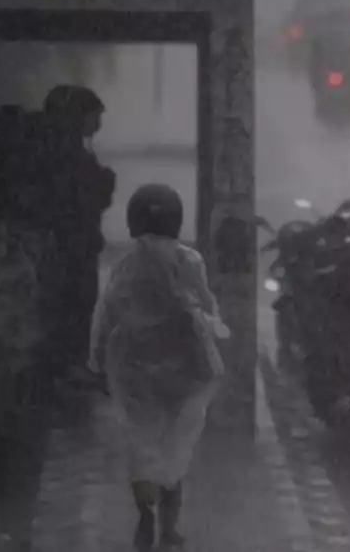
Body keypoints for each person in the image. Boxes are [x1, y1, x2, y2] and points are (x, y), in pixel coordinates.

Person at [88, 184, 229, 550]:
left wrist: (98, 362)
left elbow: (106, 316)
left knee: (143, 446)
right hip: (184, 372)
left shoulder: (127, 266)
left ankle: (144, 517)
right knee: (176, 452)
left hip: (134, 370)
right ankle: (169, 528)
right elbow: (209, 308)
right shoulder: (190, 261)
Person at [41, 85, 116, 380]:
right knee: (74, 303)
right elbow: (82, 195)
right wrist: (104, 181)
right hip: (73, 244)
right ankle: (69, 364)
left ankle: (71, 363)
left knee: (76, 302)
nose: (98, 123)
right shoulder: (67, 151)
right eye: (94, 116)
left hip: (77, 242)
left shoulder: (68, 148)